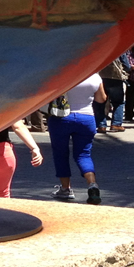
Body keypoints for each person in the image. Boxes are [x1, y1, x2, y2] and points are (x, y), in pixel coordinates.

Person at [47, 73, 107, 204]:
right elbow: (101, 99)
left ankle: (65, 189)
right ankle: (92, 184)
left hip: (61, 118)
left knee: (60, 154)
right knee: (84, 154)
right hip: (86, 118)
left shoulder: (63, 73)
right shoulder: (95, 77)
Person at [95, 56, 127, 133]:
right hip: (115, 77)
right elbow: (127, 65)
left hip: (101, 77)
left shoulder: (99, 50)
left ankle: (101, 125)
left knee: (100, 102)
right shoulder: (119, 50)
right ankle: (116, 124)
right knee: (118, 102)